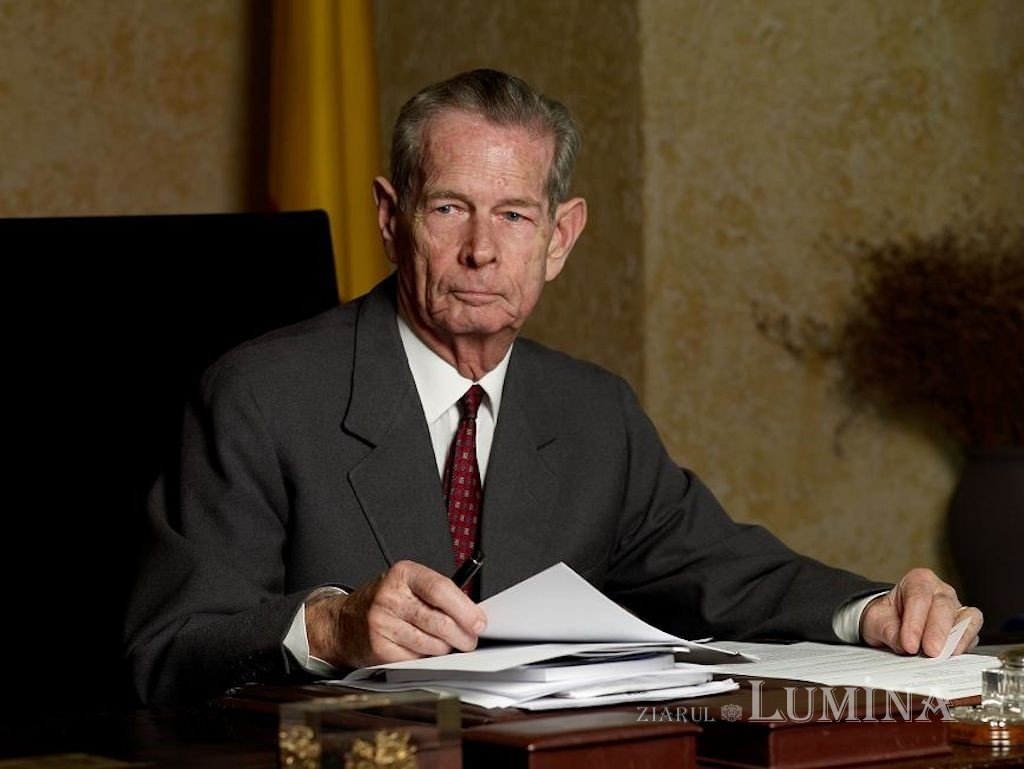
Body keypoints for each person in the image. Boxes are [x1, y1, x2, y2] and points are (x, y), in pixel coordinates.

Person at [125, 69, 982, 704]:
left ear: (559, 239)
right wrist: (329, 627)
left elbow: (729, 570)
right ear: (391, 219)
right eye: (449, 208)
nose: (481, 251)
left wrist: (874, 609)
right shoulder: (261, 396)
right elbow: (167, 647)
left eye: (514, 215)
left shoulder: (593, 412)